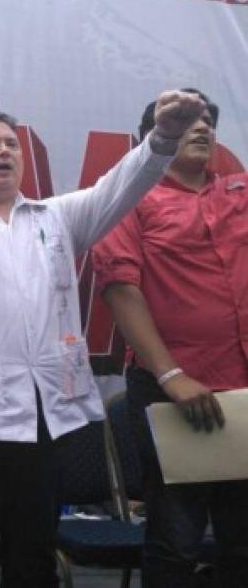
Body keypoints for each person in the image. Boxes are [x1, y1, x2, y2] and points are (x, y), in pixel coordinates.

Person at [0, 91, 206, 588]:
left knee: (34, 548)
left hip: (40, 414)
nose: (4, 152)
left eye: (12, 144)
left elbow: (120, 187)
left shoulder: (57, 219)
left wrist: (162, 139)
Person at [93, 91, 248, 588]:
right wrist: (172, 375)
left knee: (243, 538)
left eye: (208, 121)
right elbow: (120, 289)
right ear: (152, 138)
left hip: (244, 392)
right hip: (173, 391)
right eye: (187, 121)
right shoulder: (129, 202)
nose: (202, 128)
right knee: (176, 540)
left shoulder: (241, 194)